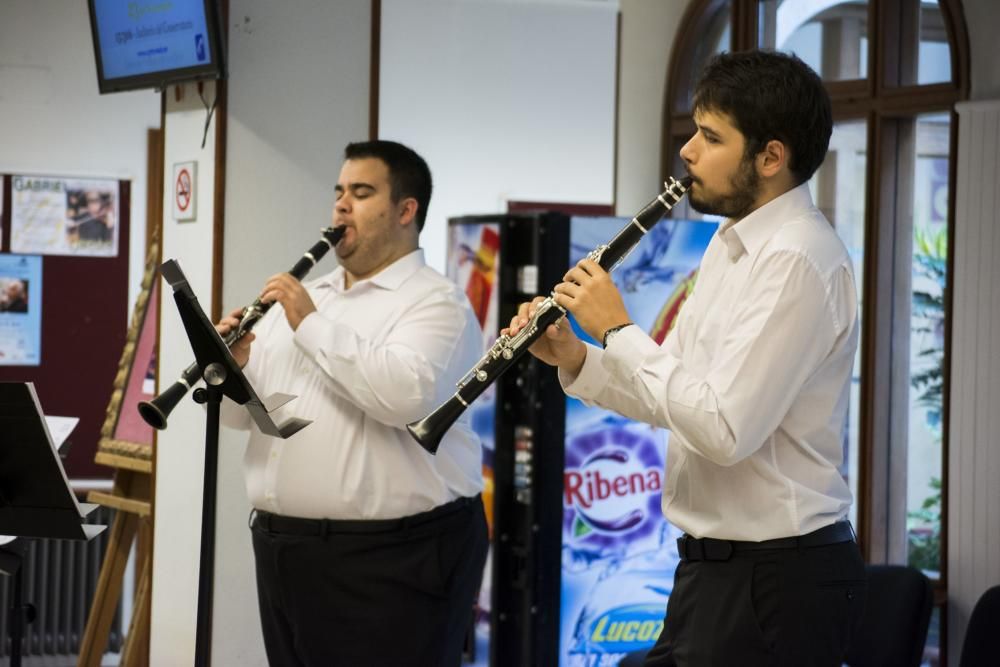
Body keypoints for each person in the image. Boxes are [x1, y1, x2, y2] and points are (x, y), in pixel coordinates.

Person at [508, 50, 866, 666]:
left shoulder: (797, 260)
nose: (688, 153)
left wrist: (617, 327)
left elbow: (723, 430)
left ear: (770, 158)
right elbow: (673, 397)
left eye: (710, 137)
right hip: (715, 571)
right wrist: (576, 356)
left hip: (777, 576)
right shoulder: (730, 245)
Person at [217, 140, 488, 666]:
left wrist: (310, 323)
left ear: (406, 211)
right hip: (284, 552)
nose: (341, 205)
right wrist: (235, 366)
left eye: (362, 193)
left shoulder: (438, 303)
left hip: (392, 560)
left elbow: (401, 397)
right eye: (339, 191)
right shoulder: (309, 296)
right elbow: (239, 418)